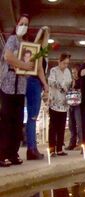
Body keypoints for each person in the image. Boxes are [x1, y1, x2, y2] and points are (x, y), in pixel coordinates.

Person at [0, 14, 35, 167]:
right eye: (22, 23)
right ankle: (2, 153)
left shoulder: (26, 45)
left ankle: (13, 153)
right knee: (6, 121)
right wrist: (23, 65)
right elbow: (8, 57)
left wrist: (29, 66)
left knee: (18, 121)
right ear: (17, 24)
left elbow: (31, 64)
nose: (23, 26)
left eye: (26, 24)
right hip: (8, 84)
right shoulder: (13, 40)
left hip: (20, 87)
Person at [25, 26, 50, 160]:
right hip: (35, 82)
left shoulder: (40, 50)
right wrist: (45, 84)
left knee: (32, 117)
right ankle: (31, 149)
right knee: (32, 117)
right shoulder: (38, 49)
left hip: (34, 83)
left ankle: (32, 147)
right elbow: (39, 68)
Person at [47, 52, 73, 156]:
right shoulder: (53, 70)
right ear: (59, 61)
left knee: (61, 127)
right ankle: (52, 149)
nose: (65, 65)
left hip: (64, 104)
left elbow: (70, 83)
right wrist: (62, 86)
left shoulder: (68, 71)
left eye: (67, 63)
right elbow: (51, 82)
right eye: (64, 63)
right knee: (53, 127)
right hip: (54, 102)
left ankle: (59, 149)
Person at [66, 65, 82, 150]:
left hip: (79, 105)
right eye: (72, 73)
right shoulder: (71, 81)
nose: (74, 74)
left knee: (79, 124)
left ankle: (81, 143)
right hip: (71, 103)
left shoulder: (81, 81)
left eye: (75, 72)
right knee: (71, 125)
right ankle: (72, 143)